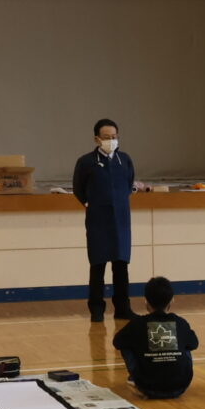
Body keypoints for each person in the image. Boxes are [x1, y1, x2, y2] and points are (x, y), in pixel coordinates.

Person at [73, 118, 151, 323]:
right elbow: (78, 189)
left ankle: (123, 308)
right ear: (97, 139)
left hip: (121, 221)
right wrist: (89, 203)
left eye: (114, 137)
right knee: (97, 266)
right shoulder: (86, 162)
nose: (111, 140)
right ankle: (97, 310)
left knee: (121, 266)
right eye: (107, 137)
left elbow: (128, 184)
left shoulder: (124, 160)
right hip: (98, 221)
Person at [112, 276, 199, 399]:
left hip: (147, 387)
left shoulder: (137, 323)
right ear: (171, 301)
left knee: (126, 344)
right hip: (180, 387)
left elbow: (117, 342)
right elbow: (194, 344)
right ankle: (175, 375)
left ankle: (138, 378)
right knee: (186, 345)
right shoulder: (180, 323)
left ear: (146, 301)